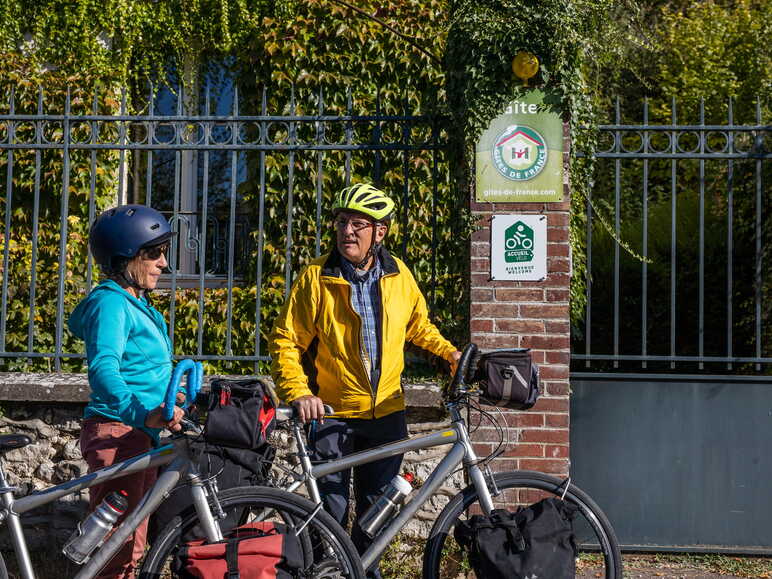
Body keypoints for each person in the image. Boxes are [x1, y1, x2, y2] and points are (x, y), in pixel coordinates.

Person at [269, 183, 461, 577]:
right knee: (331, 515)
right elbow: (285, 342)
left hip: (387, 414)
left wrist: (450, 354)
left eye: (359, 224)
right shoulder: (315, 278)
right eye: (342, 222)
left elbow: (419, 327)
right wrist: (300, 392)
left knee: (379, 515)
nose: (347, 232)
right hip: (331, 414)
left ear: (380, 232)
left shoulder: (399, 275)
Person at [68, 204, 184, 579]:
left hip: (138, 432)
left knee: (129, 545)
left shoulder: (136, 303)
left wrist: (170, 396)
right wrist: (141, 412)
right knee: (116, 553)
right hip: (119, 432)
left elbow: (141, 370)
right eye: (154, 253)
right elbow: (104, 369)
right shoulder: (112, 303)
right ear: (124, 257)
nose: (163, 262)